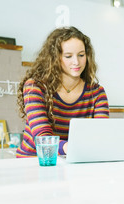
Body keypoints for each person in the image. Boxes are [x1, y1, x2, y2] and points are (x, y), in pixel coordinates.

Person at [16, 26, 109, 158]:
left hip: (73, 159)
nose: (76, 62)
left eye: (81, 55)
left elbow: (101, 133)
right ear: (54, 58)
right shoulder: (35, 87)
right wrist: (71, 147)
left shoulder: (97, 93)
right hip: (33, 161)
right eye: (68, 56)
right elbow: (43, 138)